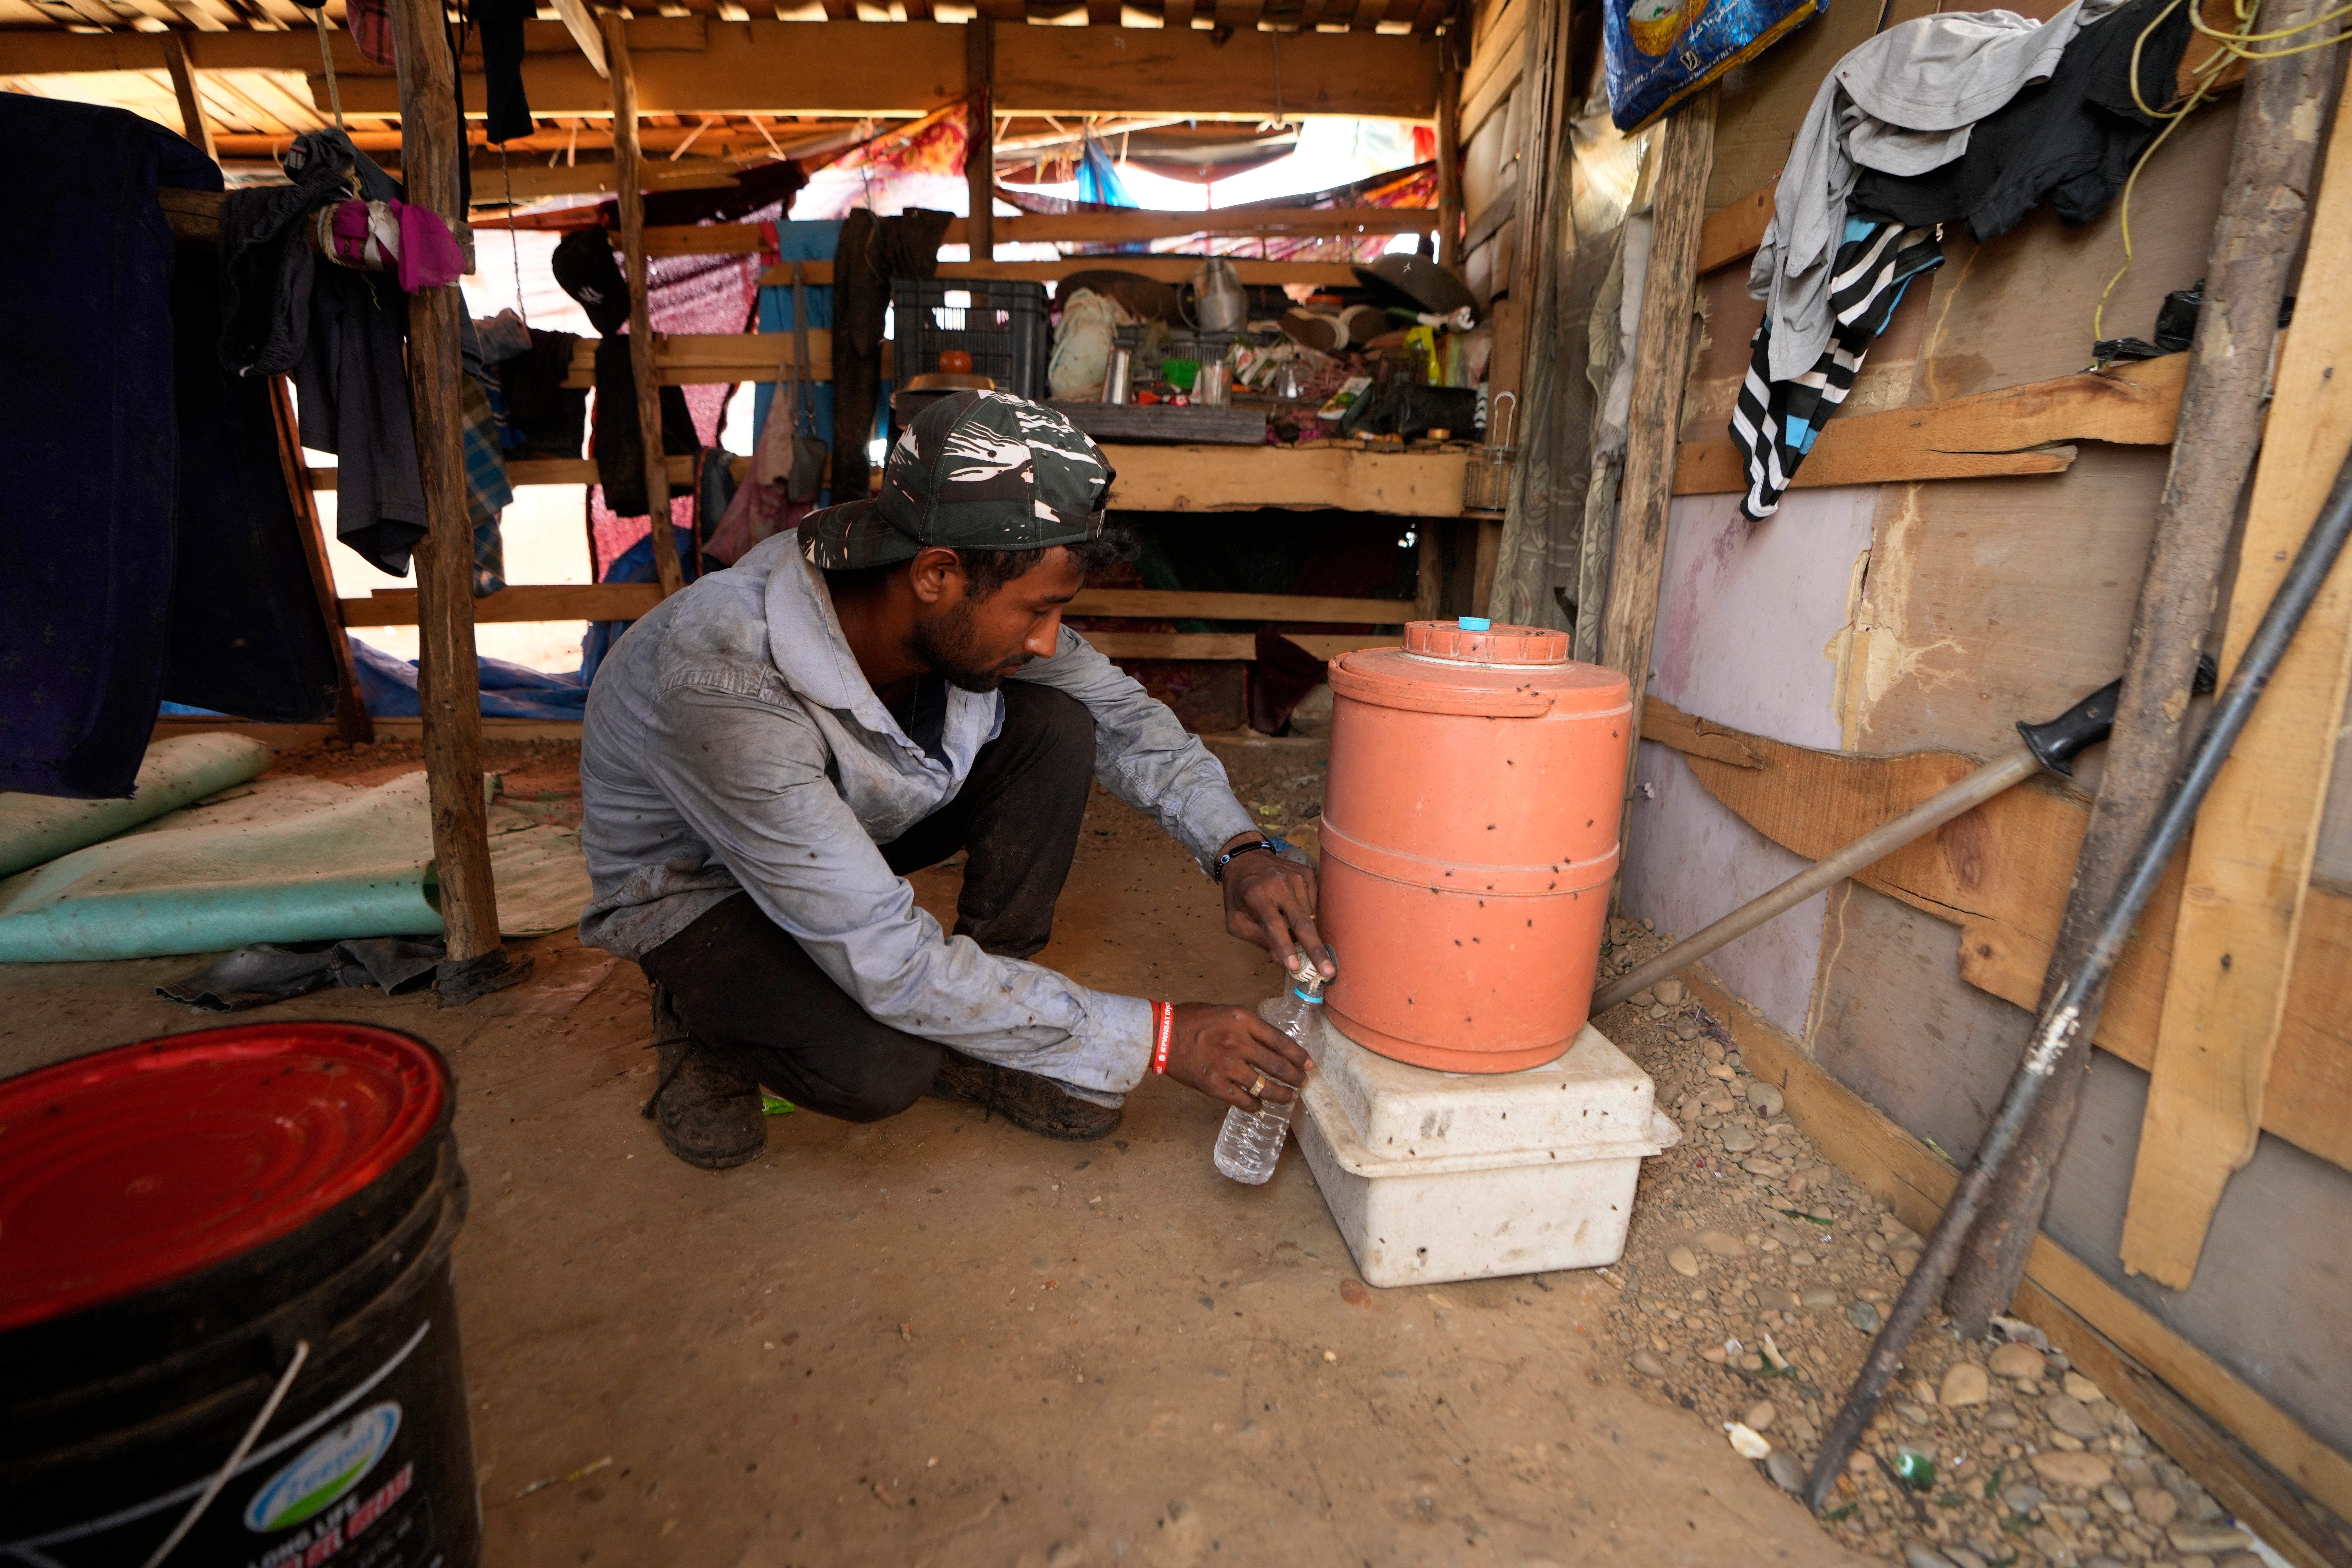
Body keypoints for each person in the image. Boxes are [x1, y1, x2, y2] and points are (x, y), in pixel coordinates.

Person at [578, 390, 1335, 1169]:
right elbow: (893, 963)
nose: (1048, 641)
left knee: (1059, 723)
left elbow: (1124, 720)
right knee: (879, 1066)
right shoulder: (724, 684)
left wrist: (1240, 848)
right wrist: (1161, 1035)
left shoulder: (956, 601)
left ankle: (988, 1025)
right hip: (702, 884)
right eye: (1036, 611)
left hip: (842, 824)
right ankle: (702, 1017)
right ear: (937, 572)